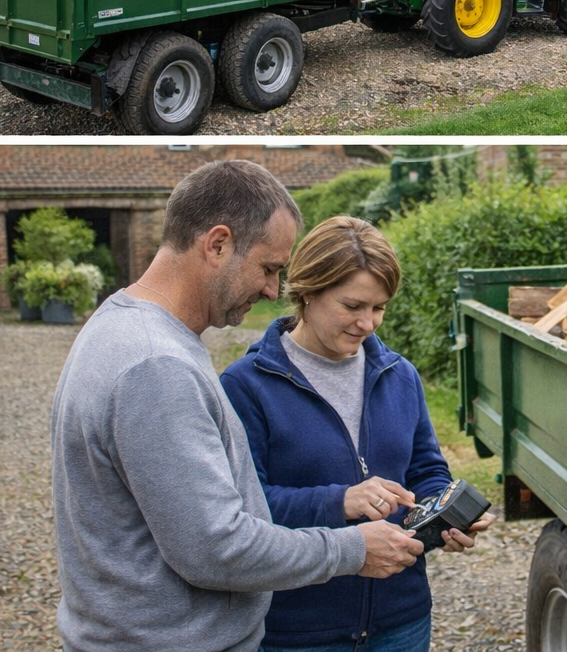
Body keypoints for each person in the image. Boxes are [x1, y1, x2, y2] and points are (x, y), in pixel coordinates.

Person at [50, 160, 426, 652]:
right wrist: (351, 547)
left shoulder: (121, 326)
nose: (273, 290)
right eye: (268, 268)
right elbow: (215, 550)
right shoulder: (156, 366)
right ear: (218, 244)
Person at [220, 215, 493, 651]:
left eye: (379, 307)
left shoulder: (399, 375)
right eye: (353, 306)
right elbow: (242, 511)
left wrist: (445, 515)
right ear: (307, 291)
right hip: (297, 632)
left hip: (401, 623)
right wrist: (339, 501)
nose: (368, 323)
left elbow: (426, 471)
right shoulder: (244, 386)